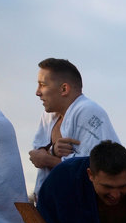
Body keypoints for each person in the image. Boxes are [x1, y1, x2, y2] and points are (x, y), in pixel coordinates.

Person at [29, 58, 120, 196]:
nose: (37, 92)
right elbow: (36, 154)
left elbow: (97, 169)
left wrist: (47, 159)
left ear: (64, 89)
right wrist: (52, 152)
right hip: (50, 203)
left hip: (84, 205)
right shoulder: (48, 116)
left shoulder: (88, 112)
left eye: (42, 85)